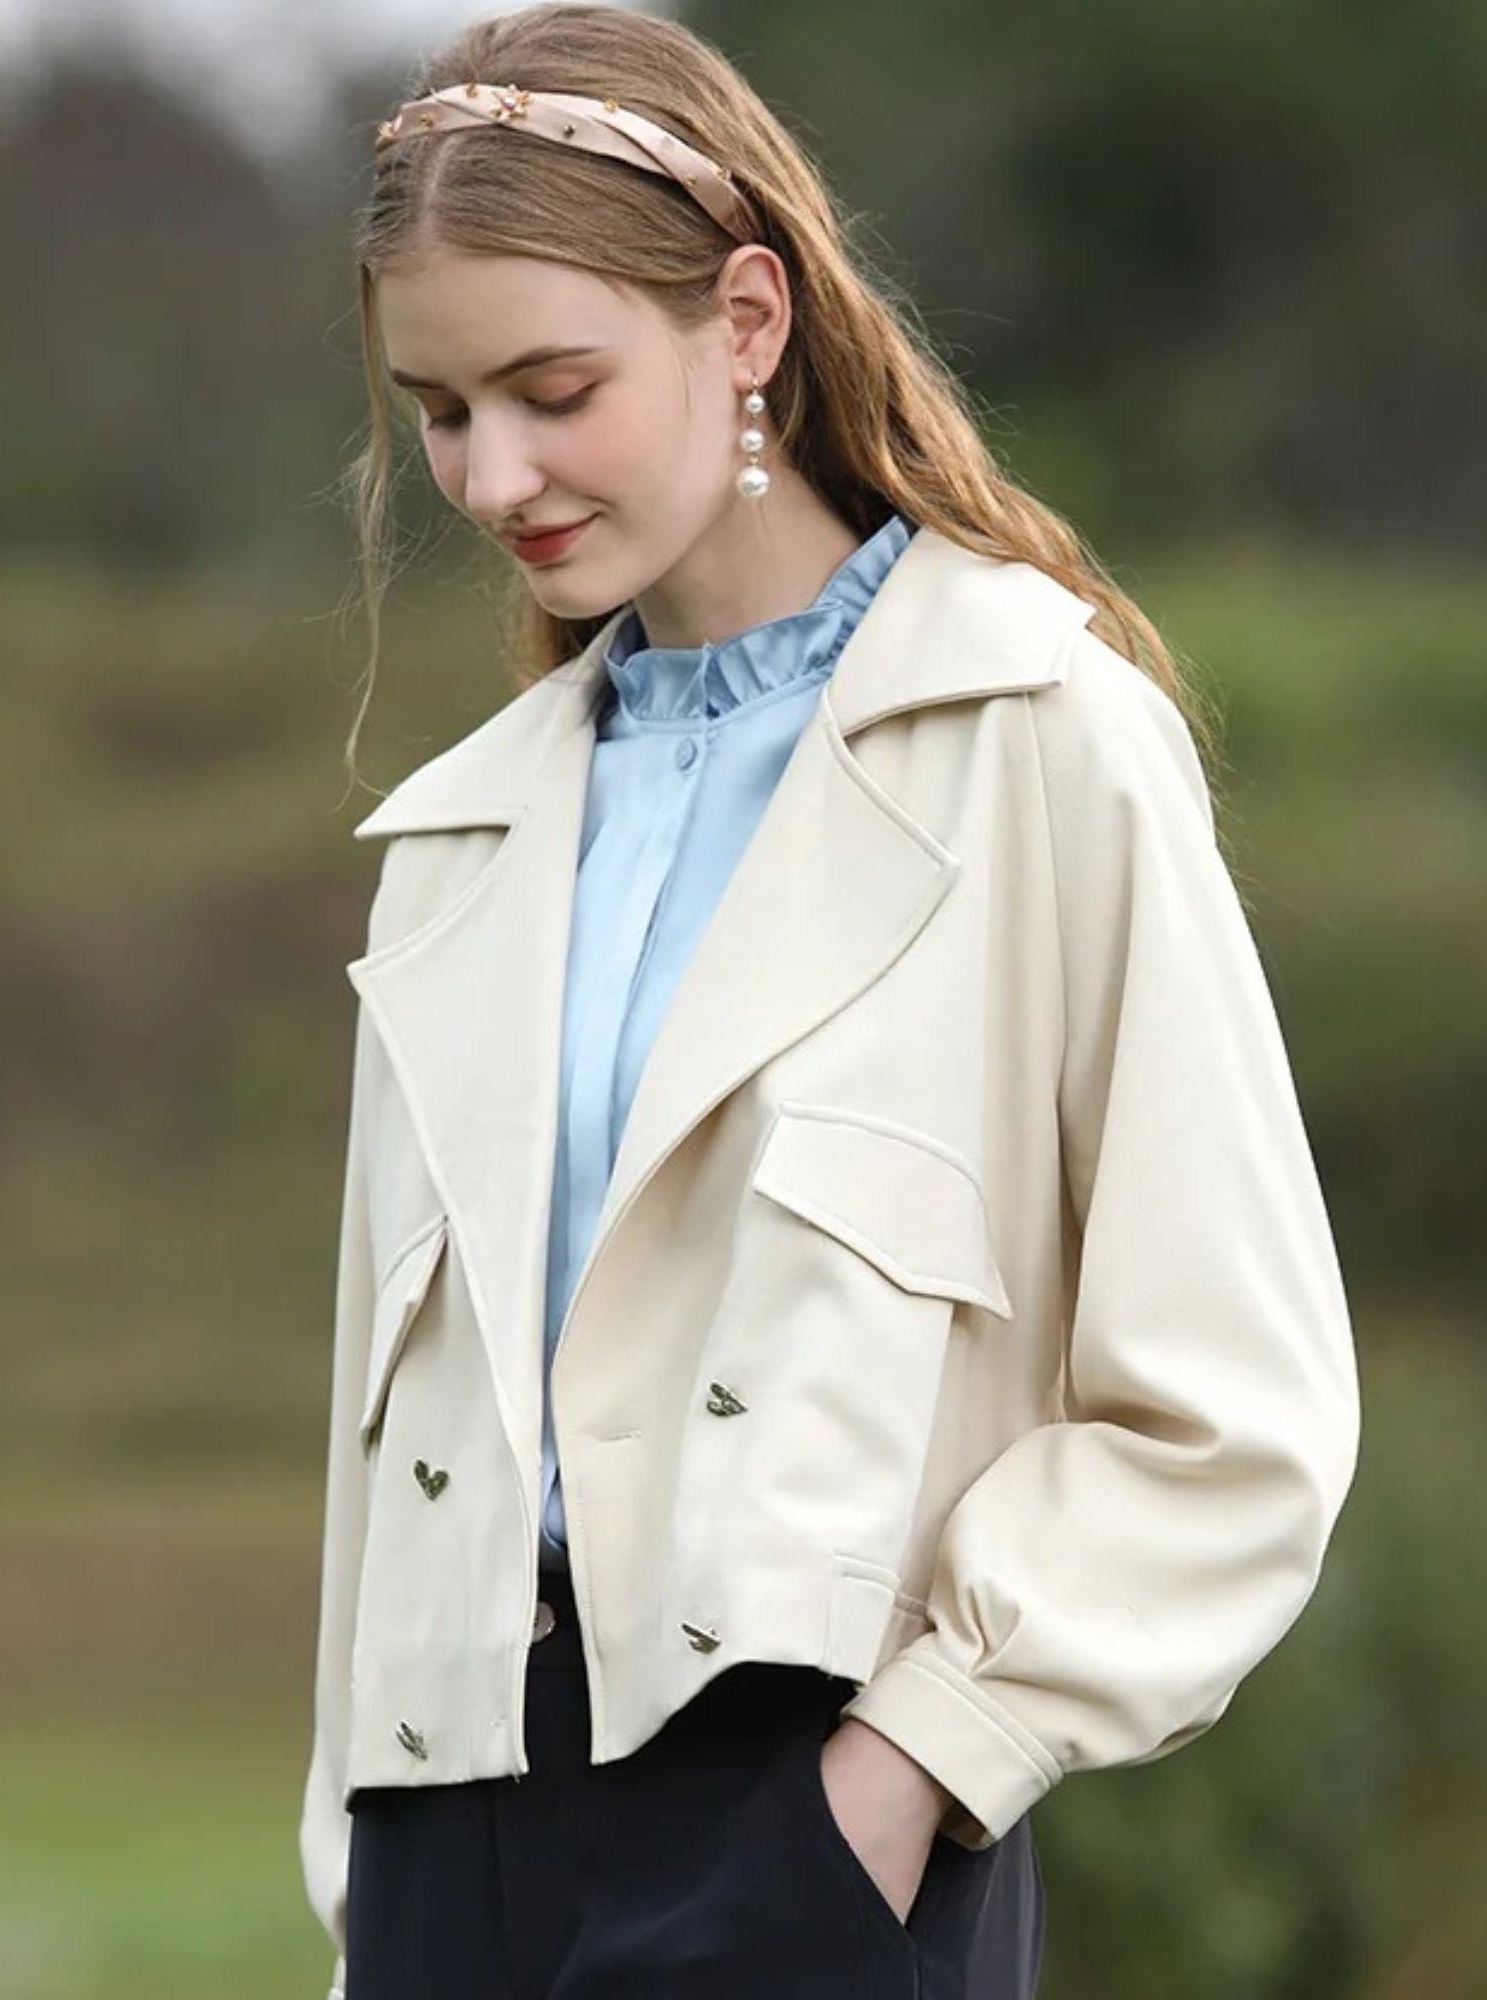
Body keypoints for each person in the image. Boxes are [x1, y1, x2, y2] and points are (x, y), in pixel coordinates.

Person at [297, 7, 1362, 1997]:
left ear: (748, 320)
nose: (493, 475)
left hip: (814, 1819)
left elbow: (1236, 1419)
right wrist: (372, 1900)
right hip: (447, 1842)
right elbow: (389, 1473)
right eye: (441, 410)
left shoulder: (1042, 743)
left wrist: (903, 1775)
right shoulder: (458, 843)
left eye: (553, 390)